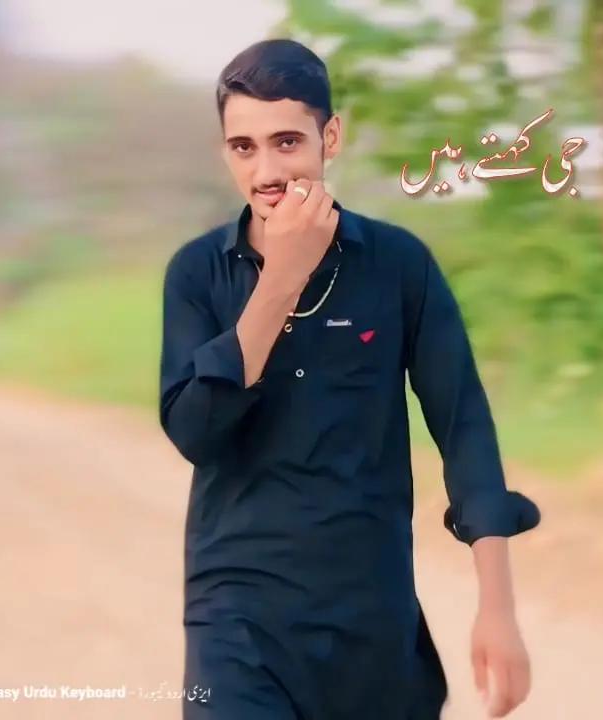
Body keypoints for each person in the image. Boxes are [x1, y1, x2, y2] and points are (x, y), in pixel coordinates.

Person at [158, 38, 541, 720]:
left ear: (330, 137)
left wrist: (498, 608)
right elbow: (194, 432)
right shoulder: (197, 273)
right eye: (244, 147)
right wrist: (282, 278)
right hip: (236, 622)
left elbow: (464, 429)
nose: (266, 170)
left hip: (371, 624)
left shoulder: (398, 265)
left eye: (286, 142)